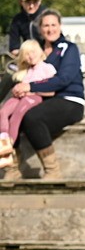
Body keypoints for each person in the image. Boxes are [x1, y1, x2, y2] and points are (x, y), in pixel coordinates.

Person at [6, 10, 84, 181]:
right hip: (42, 99)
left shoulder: (68, 49)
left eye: (53, 25)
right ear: (40, 29)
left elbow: (63, 79)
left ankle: (52, 170)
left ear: (60, 26)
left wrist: (30, 86)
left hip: (69, 100)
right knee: (9, 114)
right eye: (46, 25)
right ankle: (13, 168)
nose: (50, 29)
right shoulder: (36, 50)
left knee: (33, 117)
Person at [0, 40, 57, 170]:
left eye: (33, 52)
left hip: (33, 97)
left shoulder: (47, 68)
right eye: (26, 54)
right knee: (3, 112)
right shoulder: (25, 71)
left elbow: (51, 91)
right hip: (20, 97)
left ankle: (9, 146)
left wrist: (30, 90)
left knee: (16, 116)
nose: (30, 56)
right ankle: (3, 141)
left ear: (40, 51)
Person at [0, 0, 46, 103]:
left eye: (34, 2)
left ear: (40, 1)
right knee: (10, 73)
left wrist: (39, 58)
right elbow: (14, 48)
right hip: (25, 60)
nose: (31, 6)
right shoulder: (17, 20)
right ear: (21, 2)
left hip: (44, 60)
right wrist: (26, 58)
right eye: (27, 2)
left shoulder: (46, 17)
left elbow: (51, 44)